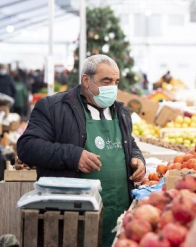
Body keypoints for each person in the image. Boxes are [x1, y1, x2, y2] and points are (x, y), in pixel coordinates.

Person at [17, 55, 146, 246]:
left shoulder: (121, 111)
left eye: (116, 82)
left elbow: (130, 143)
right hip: (72, 217)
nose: (113, 87)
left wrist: (137, 158)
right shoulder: (53, 108)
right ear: (86, 80)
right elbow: (27, 147)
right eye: (106, 81)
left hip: (118, 214)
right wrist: (73, 155)